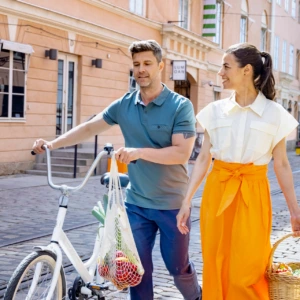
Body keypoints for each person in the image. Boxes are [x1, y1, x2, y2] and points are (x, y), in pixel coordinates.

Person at [32, 40, 202, 300]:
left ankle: (196, 296)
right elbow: (90, 127)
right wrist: (52, 144)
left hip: (173, 205)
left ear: (160, 66)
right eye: (136, 65)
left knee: (177, 268)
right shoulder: (125, 104)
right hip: (136, 203)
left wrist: (139, 152)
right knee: (135, 270)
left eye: (147, 64)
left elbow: (182, 152)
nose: (141, 70)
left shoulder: (180, 106)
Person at [176, 43, 300, 300]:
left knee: (249, 269)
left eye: (225, 66)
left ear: (246, 70)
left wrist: (294, 211)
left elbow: (282, 165)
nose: (220, 73)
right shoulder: (214, 111)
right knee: (216, 263)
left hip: (253, 194)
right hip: (217, 192)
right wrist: (186, 201)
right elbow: (202, 159)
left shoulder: (275, 114)